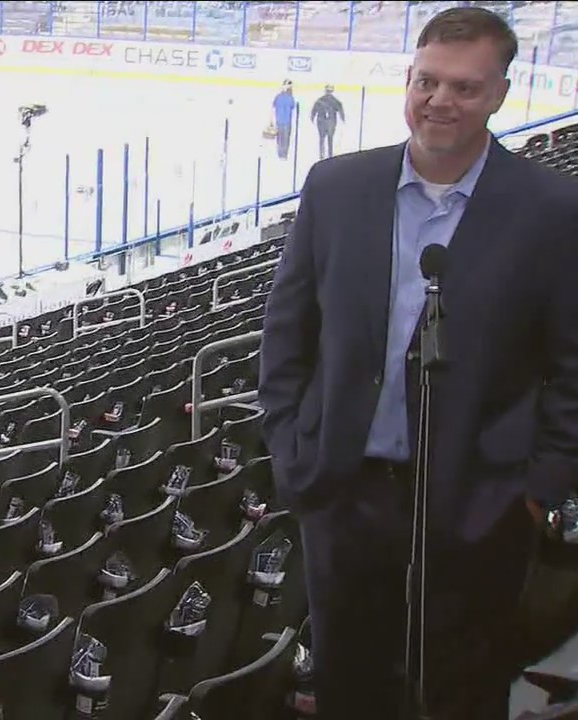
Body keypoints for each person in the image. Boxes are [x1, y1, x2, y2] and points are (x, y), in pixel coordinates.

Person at [257, 7, 578, 720]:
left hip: (481, 500)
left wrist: (537, 486)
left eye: (465, 88)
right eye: (428, 81)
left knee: (463, 690)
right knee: (350, 686)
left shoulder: (553, 210)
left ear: (499, 93)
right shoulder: (336, 187)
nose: (441, 101)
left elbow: (572, 366)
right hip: (343, 492)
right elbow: (287, 333)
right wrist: (292, 448)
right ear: (408, 80)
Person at [310, 84, 346, 159]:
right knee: (330, 138)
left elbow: (314, 110)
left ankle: (321, 154)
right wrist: (343, 118)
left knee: (322, 138)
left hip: (321, 121)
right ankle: (330, 154)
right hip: (331, 122)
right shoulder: (335, 101)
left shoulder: (320, 100)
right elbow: (340, 110)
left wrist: (312, 118)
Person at [272, 79, 298, 159]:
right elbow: (293, 106)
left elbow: (274, 106)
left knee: (280, 138)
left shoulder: (278, 97)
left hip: (279, 121)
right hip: (286, 121)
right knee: (285, 138)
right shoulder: (290, 97)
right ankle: (284, 154)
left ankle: (280, 153)